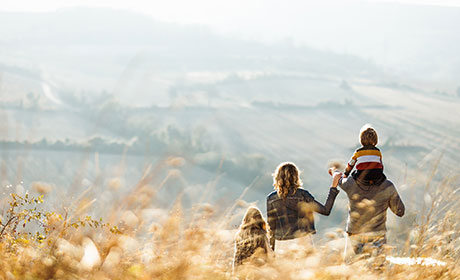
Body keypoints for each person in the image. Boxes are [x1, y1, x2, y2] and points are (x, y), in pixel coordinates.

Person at [329, 166, 405, 256]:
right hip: (377, 235)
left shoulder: (350, 183)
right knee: (378, 267)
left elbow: (338, 177)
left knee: (354, 267)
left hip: (354, 234)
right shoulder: (387, 186)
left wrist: (334, 170)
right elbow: (400, 211)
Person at [266, 162, 341, 252]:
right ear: (296, 177)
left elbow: (271, 227)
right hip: (302, 240)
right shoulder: (303, 195)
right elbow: (325, 210)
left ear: (277, 177)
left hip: (281, 244)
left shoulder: (271, 198)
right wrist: (333, 187)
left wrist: (272, 248)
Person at [233, 207, 273, 272]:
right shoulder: (261, 235)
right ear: (260, 219)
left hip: (243, 270)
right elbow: (267, 255)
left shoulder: (240, 234)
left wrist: (235, 272)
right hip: (258, 270)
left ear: (246, 219)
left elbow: (237, 256)